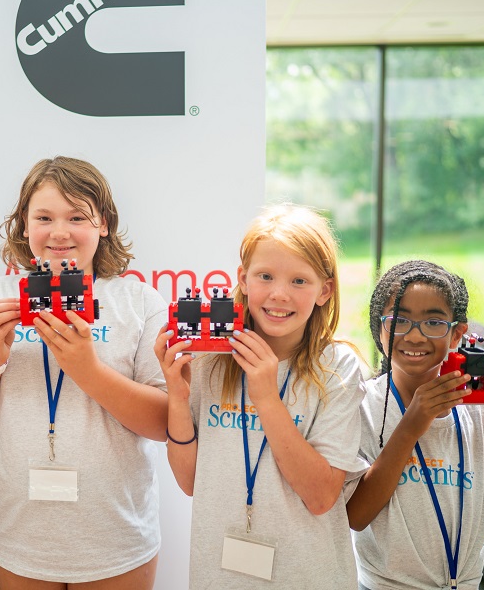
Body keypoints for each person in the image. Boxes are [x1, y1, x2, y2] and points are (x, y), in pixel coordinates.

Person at [0, 156, 167, 589]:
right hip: (19, 534)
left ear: (104, 224)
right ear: (24, 226)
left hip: (115, 536)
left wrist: (88, 370)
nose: (59, 232)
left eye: (77, 216)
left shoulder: (138, 301)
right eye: (44, 217)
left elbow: (164, 422)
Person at [156, 203, 366, 589]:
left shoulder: (338, 369)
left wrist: (267, 397)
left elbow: (320, 497)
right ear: (243, 279)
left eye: (299, 281)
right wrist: (177, 395)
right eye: (265, 276)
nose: (279, 294)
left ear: (325, 290)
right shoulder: (209, 357)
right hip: (218, 576)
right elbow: (189, 482)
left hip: (306, 576)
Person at [347, 260, 484, 590]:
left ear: (458, 333)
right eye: (399, 320)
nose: (415, 336)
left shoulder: (479, 413)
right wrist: (411, 427)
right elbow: (356, 517)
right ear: (380, 328)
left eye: (433, 321)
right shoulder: (365, 406)